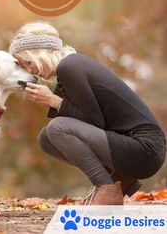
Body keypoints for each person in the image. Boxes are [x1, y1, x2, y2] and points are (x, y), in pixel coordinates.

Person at [9, 21, 166, 205]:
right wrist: (51, 102)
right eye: (24, 66)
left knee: (56, 128)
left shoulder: (70, 66)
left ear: (41, 52)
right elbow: (82, 124)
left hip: (144, 149)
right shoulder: (68, 72)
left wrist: (53, 101)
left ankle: (106, 188)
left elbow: (94, 122)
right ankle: (119, 180)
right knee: (46, 138)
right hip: (132, 148)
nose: (30, 70)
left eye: (28, 62)